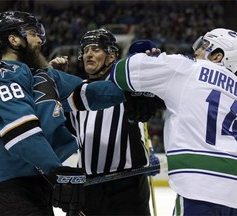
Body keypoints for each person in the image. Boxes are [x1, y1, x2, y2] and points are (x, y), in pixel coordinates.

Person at [0, 11, 124, 216]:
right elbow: (21, 132)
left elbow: (90, 92)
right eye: (33, 33)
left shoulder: (46, 75)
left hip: (39, 181)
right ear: (14, 39)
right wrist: (55, 169)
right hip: (7, 183)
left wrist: (131, 95)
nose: (40, 39)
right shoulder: (1, 76)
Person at [111, 28, 237, 215]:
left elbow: (121, 73)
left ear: (217, 56)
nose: (196, 50)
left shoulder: (186, 67)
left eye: (204, 46)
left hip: (199, 187)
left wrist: (147, 57)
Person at [60, 29, 162, 215]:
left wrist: (152, 73)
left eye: (96, 49)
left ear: (111, 56)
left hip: (127, 187)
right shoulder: (76, 93)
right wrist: (52, 83)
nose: (88, 54)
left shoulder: (127, 85)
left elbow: (152, 104)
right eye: (85, 50)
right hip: (88, 188)